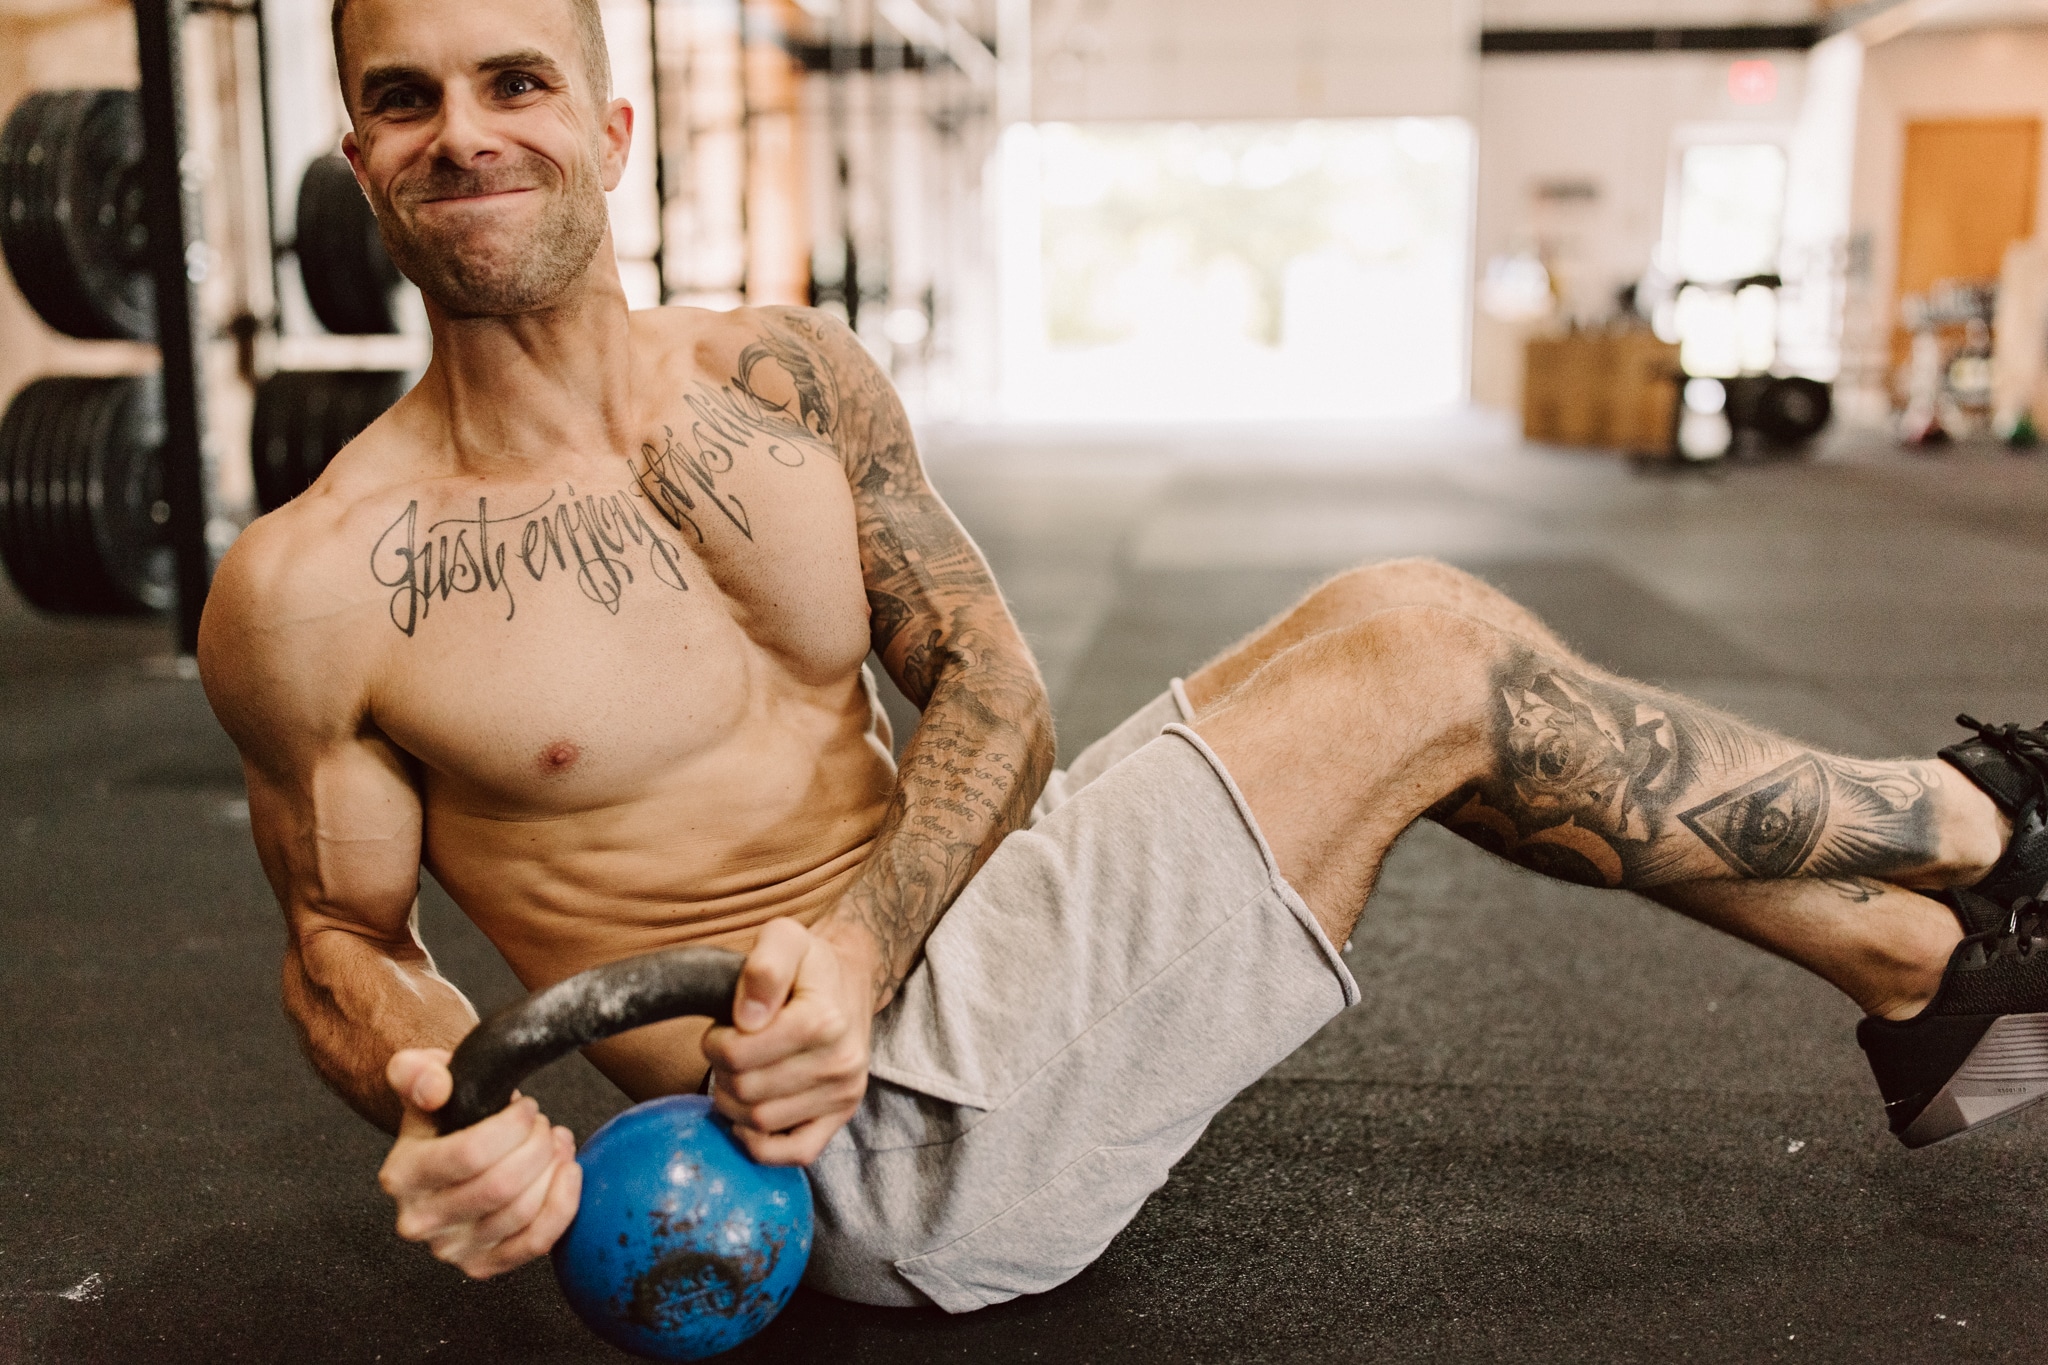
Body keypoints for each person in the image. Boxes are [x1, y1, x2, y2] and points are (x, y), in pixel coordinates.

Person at [198, 0, 2048, 1312]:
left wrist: (856, 940)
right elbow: (342, 944)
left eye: (516, 78)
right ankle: (1980, 824)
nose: (465, 129)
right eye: (404, 94)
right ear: (358, 150)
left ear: (607, 128)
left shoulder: (786, 377)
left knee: (1393, 632)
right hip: (846, 1151)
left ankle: (1921, 977)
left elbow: (996, 687)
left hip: (950, 963)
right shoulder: (319, 579)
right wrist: (454, 1097)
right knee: (1414, 651)